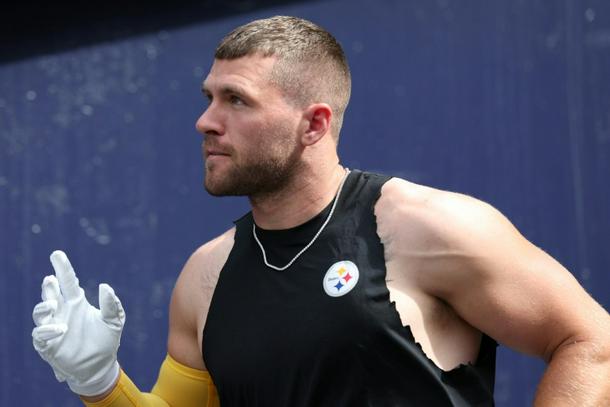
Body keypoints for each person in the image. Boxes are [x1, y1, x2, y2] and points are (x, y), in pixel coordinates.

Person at [32, 16, 610, 406]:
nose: (206, 121)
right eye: (209, 98)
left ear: (314, 124)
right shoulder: (205, 278)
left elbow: (591, 344)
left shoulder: (425, 227)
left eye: (236, 100)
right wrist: (100, 383)